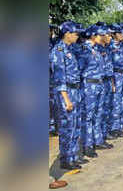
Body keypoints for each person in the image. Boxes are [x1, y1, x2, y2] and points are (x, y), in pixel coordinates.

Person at [50, 21, 84, 170]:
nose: (77, 36)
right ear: (67, 34)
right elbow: (59, 79)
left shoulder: (70, 50)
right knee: (66, 127)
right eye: (75, 33)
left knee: (75, 124)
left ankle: (73, 156)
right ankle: (65, 158)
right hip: (66, 93)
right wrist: (66, 99)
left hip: (75, 91)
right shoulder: (58, 51)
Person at [79, 25, 113, 158]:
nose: (103, 37)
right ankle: (87, 145)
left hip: (99, 85)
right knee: (88, 116)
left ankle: (97, 140)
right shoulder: (84, 50)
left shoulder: (96, 50)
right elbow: (79, 70)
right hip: (89, 86)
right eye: (100, 35)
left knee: (97, 114)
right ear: (93, 36)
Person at [97, 24, 117, 141]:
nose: (110, 37)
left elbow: (110, 69)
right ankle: (98, 137)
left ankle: (105, 133)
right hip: (100, 83)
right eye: (108, 35)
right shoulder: (96, 49)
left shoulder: (107, 49)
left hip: (108, 81)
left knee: (107, 108)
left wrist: (113, 83)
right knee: (100, 111)